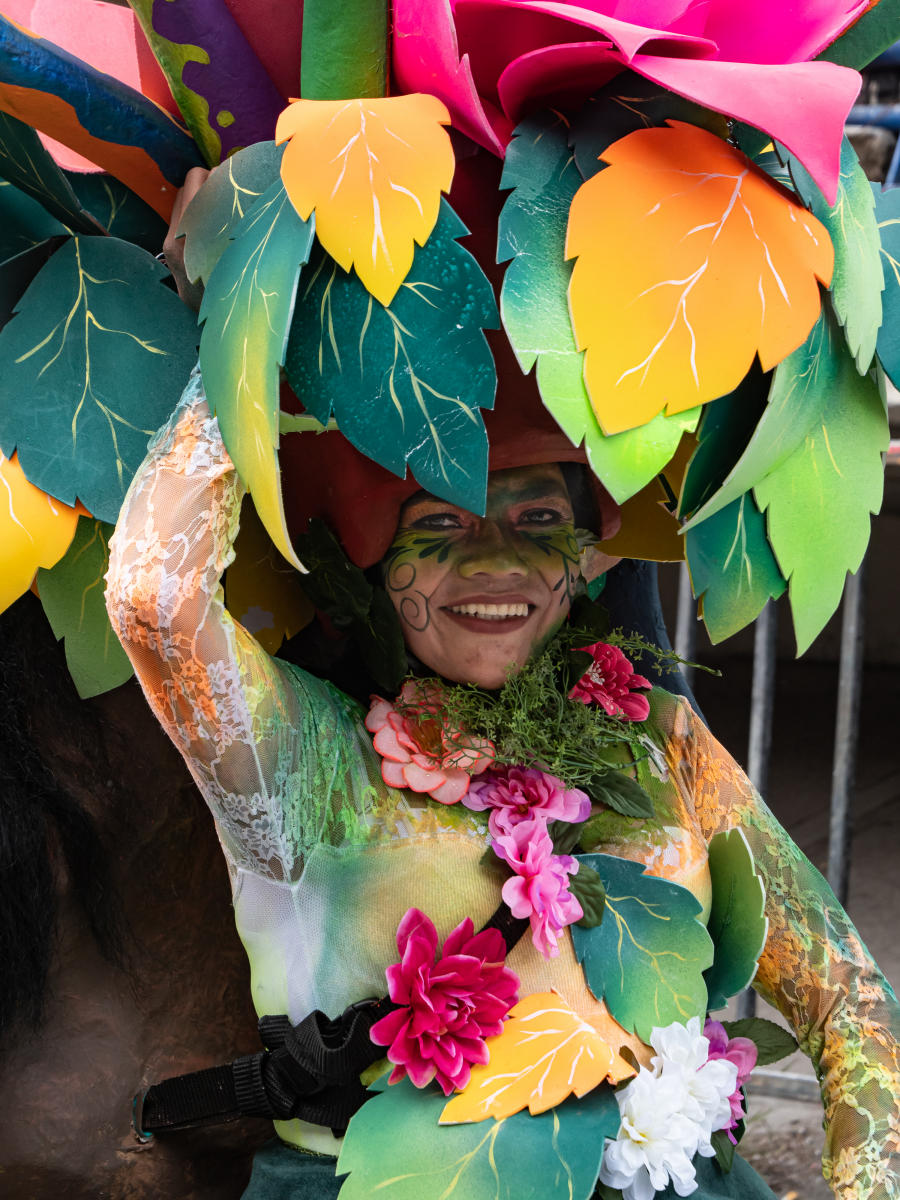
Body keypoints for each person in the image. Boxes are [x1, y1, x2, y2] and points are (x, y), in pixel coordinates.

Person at [103, 175, 900, 1200]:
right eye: (438, 527)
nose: (494, 563)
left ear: (589, 560)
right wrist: (236, 318)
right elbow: (157, 603)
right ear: (368, 561)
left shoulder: (656, 741)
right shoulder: (305, 761)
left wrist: (866, 1183)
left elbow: (849, 1000)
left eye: (537, 522)